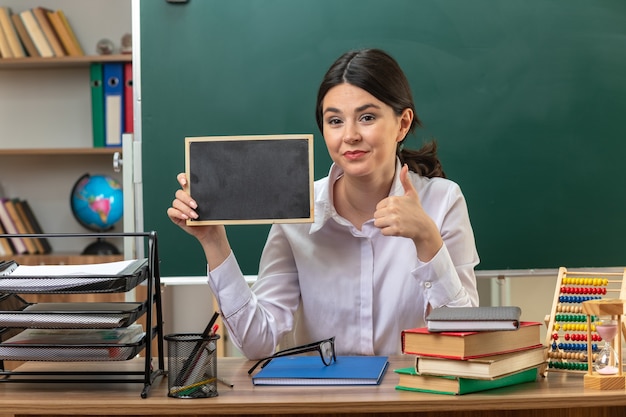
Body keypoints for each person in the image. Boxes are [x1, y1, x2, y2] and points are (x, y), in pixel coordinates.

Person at [167, 48, 479, 360]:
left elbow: (466, 338)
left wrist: (427, 240)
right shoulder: (296, 212)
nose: (350, 135)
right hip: (321, 402)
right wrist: (213, 240)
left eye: (367, 117)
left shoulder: (442, 201)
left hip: (412, 398)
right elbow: (257, 344)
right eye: (335, 121)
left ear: (402, 124)